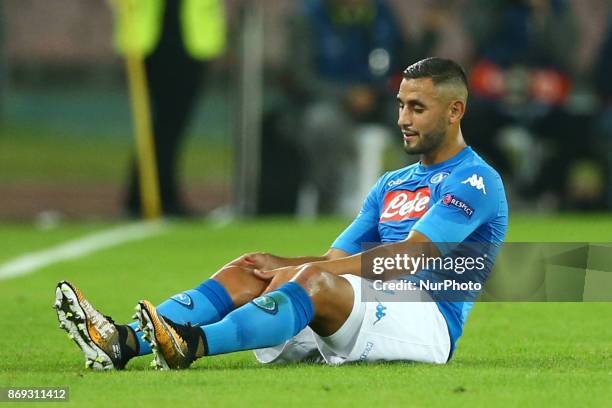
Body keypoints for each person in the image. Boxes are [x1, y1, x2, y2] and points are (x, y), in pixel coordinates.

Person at [54, 58, 508, 370]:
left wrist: (307, 271)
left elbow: (411, 257)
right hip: (357, 302)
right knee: (252, 267)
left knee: (310, 278)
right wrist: (283, 265)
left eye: (417, 108)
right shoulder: (392, 182)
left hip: (425, 320)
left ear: (454, 111)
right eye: (401, 105)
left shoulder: (474, 180)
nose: (403, 119)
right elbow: (337, 257)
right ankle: (122, 341)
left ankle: (189, 344)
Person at [111, 0, 226, 217]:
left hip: (193, 38)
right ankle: (146, 195)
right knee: (160, 121)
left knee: (174, 121)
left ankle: (160, 193)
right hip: (146, 39)